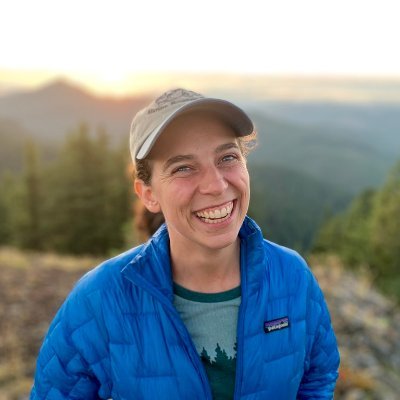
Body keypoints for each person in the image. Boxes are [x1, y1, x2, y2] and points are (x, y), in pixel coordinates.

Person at [31, 88, 340, 399]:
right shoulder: (100, 299)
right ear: (148, 194)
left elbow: (317, 376)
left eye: (228, 157)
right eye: (183, 168)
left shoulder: (292, 276)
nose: (216, 185)